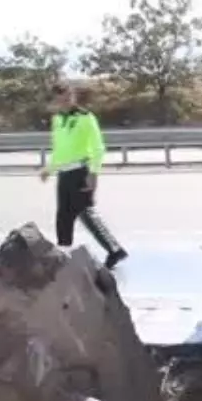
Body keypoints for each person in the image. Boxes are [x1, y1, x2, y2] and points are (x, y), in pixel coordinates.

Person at [39, 83, 128, 270]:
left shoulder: (85, 118)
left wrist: (93, 173)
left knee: (85, 212)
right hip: (64, 173)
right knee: (63, 214)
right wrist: (49, 168)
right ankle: (63, 251)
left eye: (68, 97)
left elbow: (98, 147)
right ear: (55, 100)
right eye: (60, 98)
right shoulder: (57, 119)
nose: (64, 101)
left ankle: (115, 249)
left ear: (73, 97)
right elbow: (60, 149)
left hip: (81, 170)